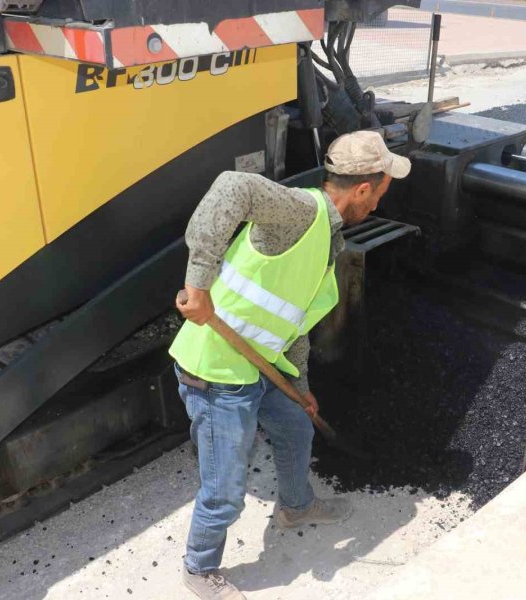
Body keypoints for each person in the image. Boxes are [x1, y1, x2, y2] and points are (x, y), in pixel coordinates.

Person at [169, 130, 411, 600]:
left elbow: (293, 323)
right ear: (363, 189)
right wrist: (198, 282)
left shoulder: (327, 241)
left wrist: (300, 387)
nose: (379, 205)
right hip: (215, 372)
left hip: (260, 367)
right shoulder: (301, 213)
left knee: (297, 429)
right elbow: (231, 187)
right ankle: (199, 569)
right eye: (380, 193)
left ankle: (296, 507)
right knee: (225, 489)